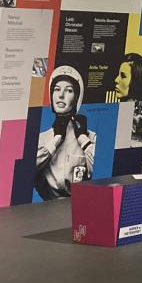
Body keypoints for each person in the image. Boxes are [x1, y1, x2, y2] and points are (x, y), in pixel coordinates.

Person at [35, 66, 95, 200]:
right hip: (49, 208)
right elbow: (25, 171)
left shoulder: (91, 138)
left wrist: (84, 140)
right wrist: (55, 140)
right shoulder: (41, 139)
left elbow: (102, 173)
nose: (61, 95)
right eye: (57, 89)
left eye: (69, 90)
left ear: (77, 98)